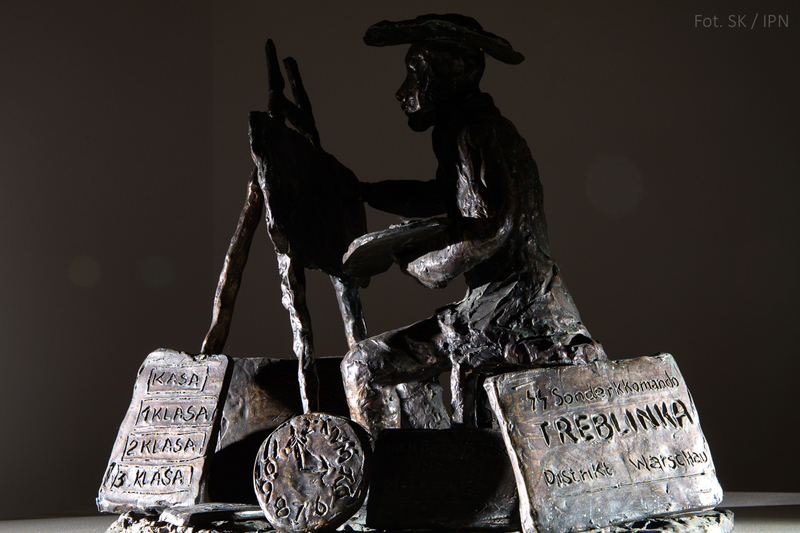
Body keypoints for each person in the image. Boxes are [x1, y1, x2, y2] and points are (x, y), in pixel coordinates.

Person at [341, 15, 606, 436]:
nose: (403, 91)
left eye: (418, 73)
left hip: (512, 310)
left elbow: (490, 229)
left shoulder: (480, 134)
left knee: (361, 366)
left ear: (457, 72)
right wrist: (365, 192)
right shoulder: (472, 132)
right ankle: (427, 475)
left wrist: (422, 265)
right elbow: (444, 196)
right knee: (409, 379)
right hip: (517, 303)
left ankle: (391, 484)